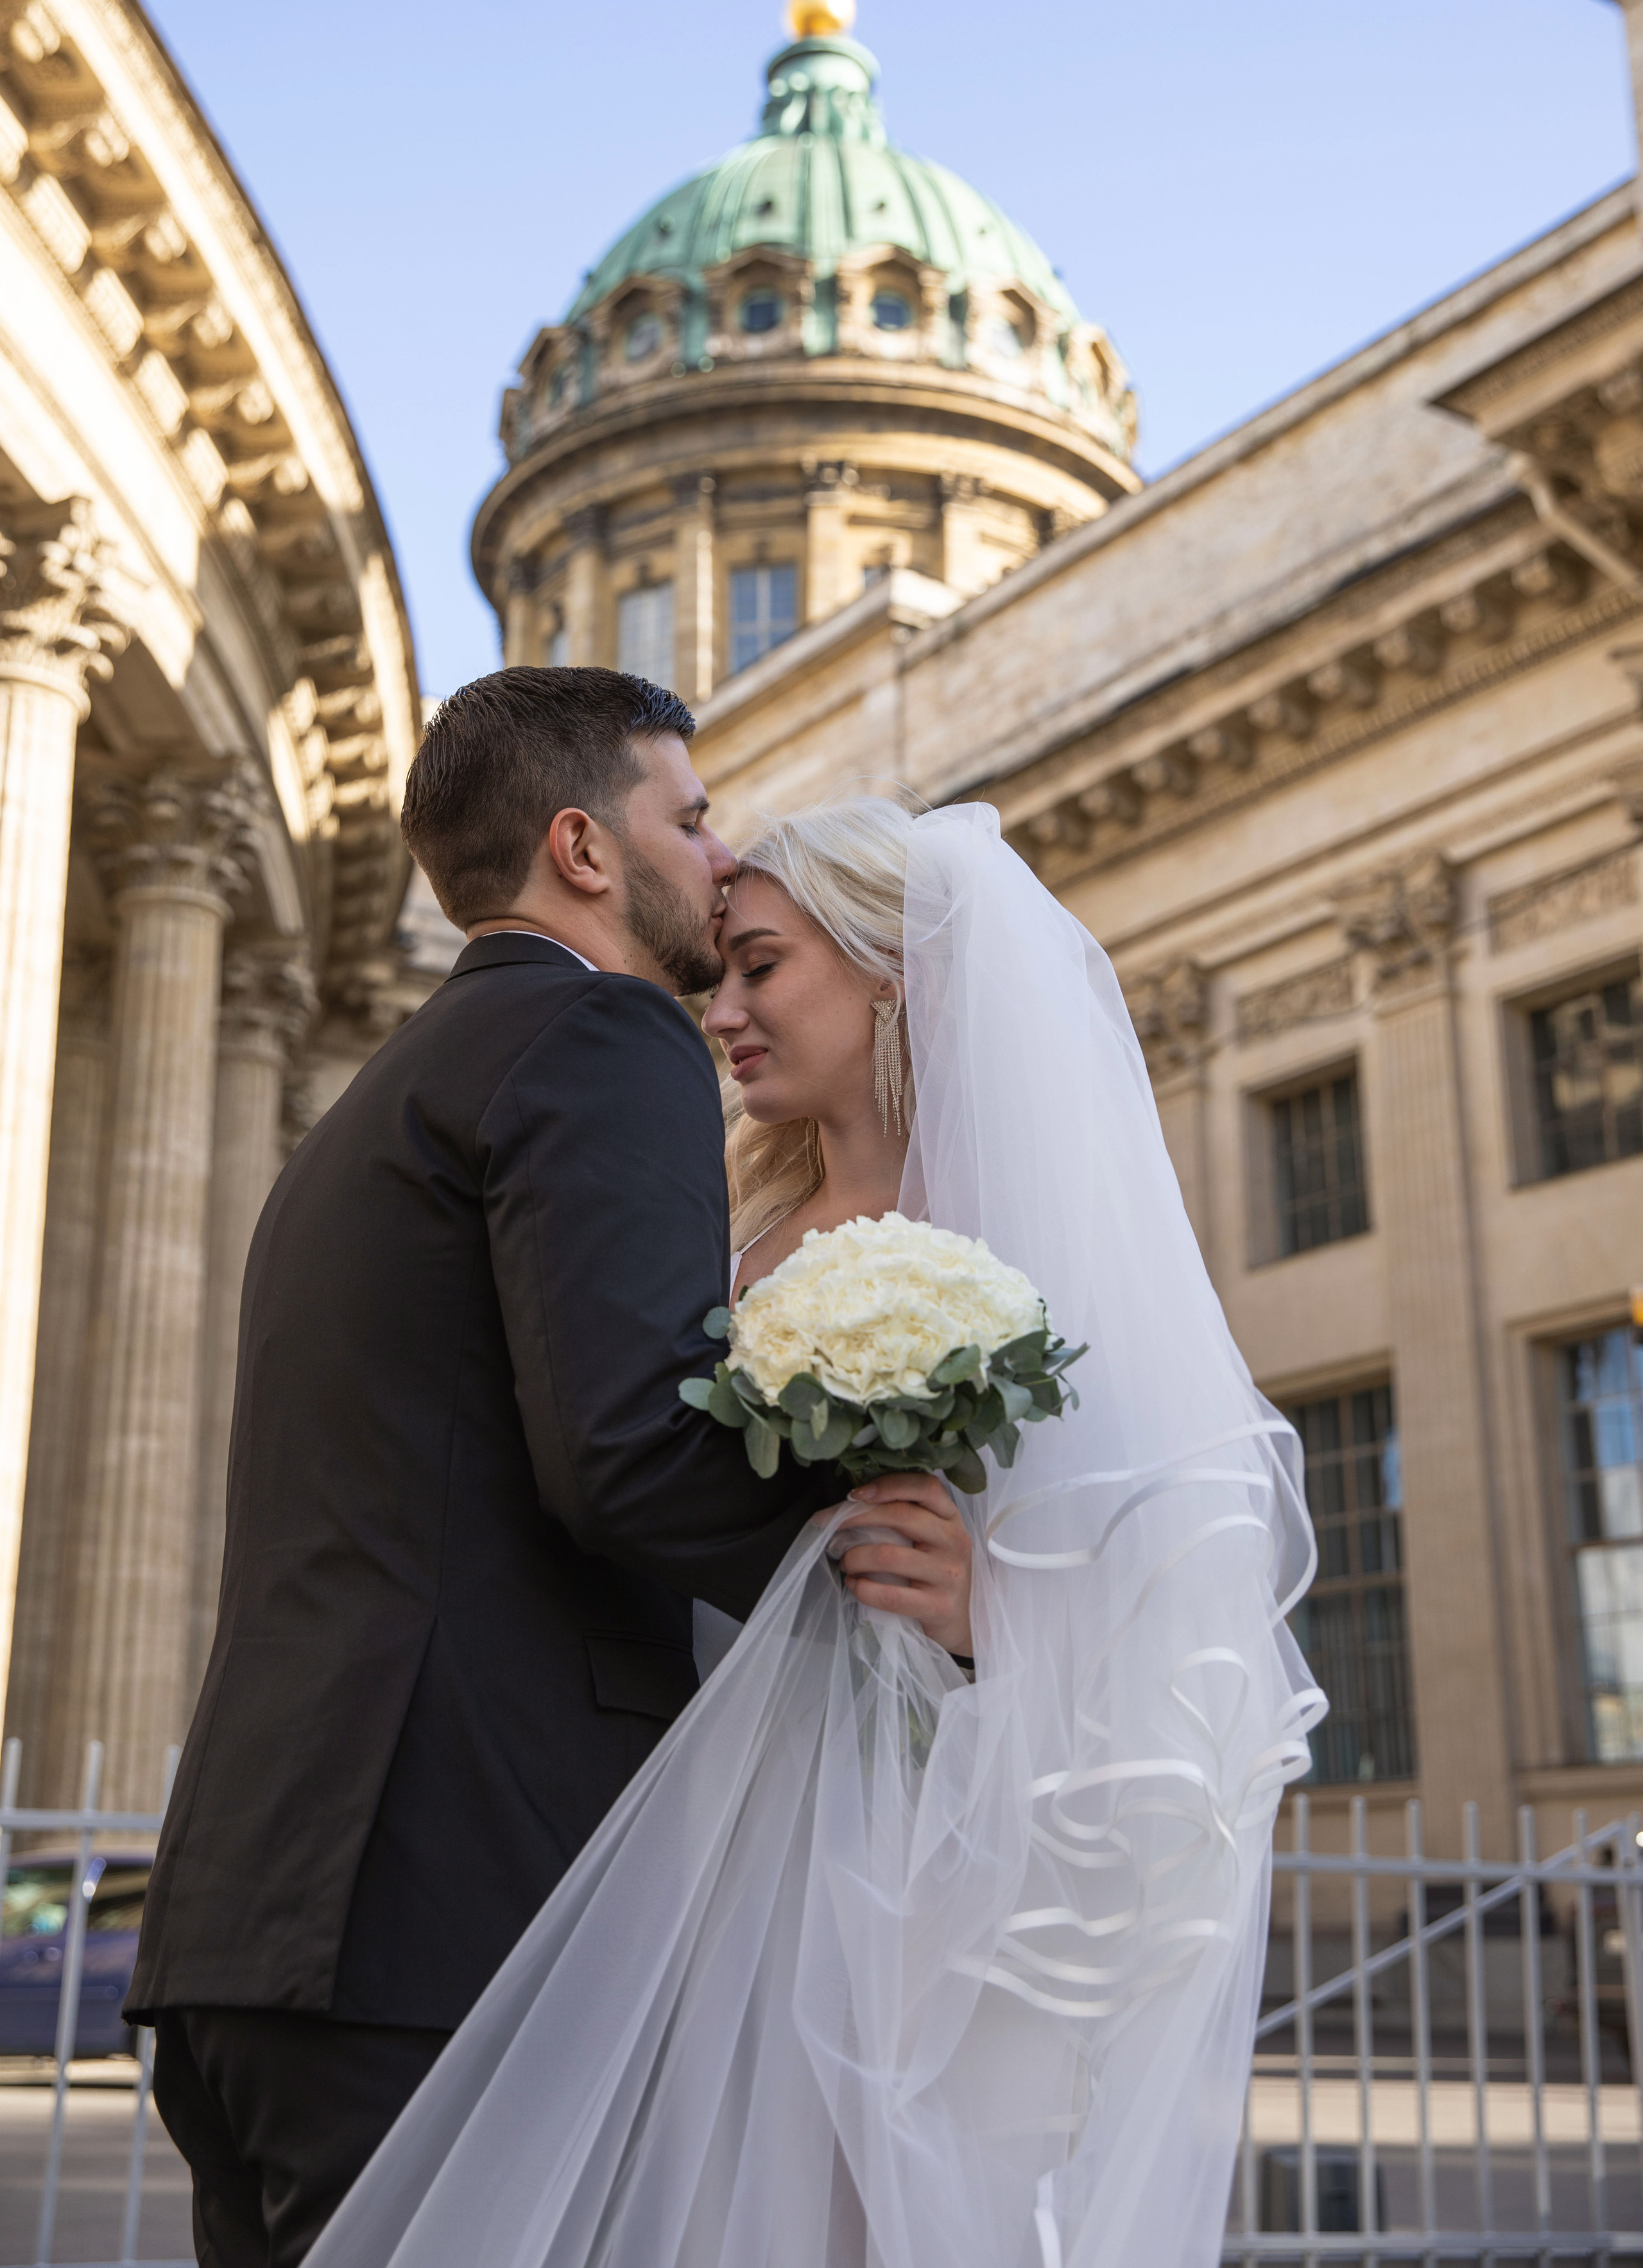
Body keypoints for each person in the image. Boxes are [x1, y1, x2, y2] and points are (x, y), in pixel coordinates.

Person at [305, 794, 1324, 2268]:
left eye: (758, 968)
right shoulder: (721, 1236)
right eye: (716, 974)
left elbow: (1183, 1570)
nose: (718, 1013)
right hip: (702, 1820)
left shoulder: (1039, 1223)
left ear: (889, 967)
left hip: (940, 1849)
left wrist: (990, 1621)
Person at [125, 673, 975, 2268]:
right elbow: (628, 1463)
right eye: (694, 815)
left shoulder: (374, 1102)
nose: (719, 864)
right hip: (442, 1918)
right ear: (584, 848)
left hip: (255, 1926)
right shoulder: (595, 1033)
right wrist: (883, 1514)